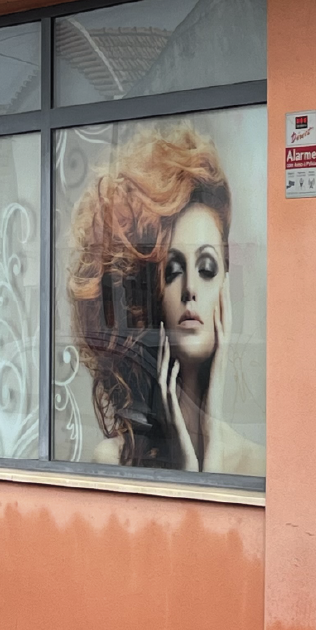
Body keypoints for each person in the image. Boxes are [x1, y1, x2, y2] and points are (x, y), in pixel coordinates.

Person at [67, 124, 264, 474]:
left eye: (206, 268)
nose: (190, 288)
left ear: (226, 288)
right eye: (172, 271)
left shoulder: (257, 465)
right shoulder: (113, 460)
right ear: (149, 299)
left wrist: (211, 441)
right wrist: (187, 466)